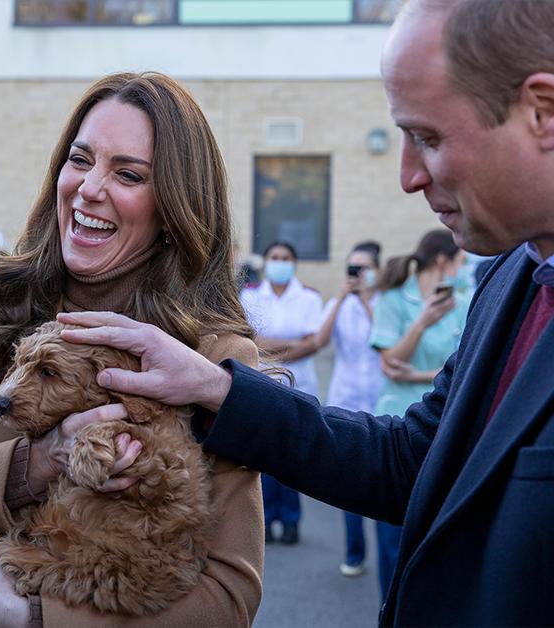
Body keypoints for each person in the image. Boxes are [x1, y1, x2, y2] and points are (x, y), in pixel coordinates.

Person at [54, 1, 554, 623]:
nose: (407, 175)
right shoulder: (515, 277)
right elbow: (414, 461)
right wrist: (215, 388)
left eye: (427, 136)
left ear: (543, 112)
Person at [0, 72, 263, 626]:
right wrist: (33, 463)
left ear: (173, 209)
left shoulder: (212, 358)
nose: (90, 188)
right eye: (80, 159)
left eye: (127, 174)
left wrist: (33, 618)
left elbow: (227, 599)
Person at [368, 229, 468, 600]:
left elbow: (469, 370)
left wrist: (422, 374)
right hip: (398, 421)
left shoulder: (468, 300)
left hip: (448, 423)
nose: (463, 268)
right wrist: (421, 323)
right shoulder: (394, 299)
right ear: (443, 260)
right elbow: (390, 361)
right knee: (393, 539)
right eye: (460, 260)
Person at [308, 240, 385, 576]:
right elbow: (320, 341)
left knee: (386, 475)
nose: (357, 274)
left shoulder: (385, 303)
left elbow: (387, 341)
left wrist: (367, 301)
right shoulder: (338, 304)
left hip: (382, 398)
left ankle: (390, 553)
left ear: (377, 271)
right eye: (352, 268)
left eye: (364, 268)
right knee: (351, 476)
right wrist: (341, 298)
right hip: (346, 396)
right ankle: (355, 552)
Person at [240, 241, 322, 544]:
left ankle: (291, 521)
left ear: (294, 263)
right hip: (262, 381)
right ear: (266, 261)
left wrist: (271, 346)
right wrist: (291, 342)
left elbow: (314, 341)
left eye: (286, 258)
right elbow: (249, 339)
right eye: (275, 257)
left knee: (293, 455)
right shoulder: (249, 295)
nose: (280, 262)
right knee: (264, 456)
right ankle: (266, 520)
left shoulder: (309, 297)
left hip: (299, 384)